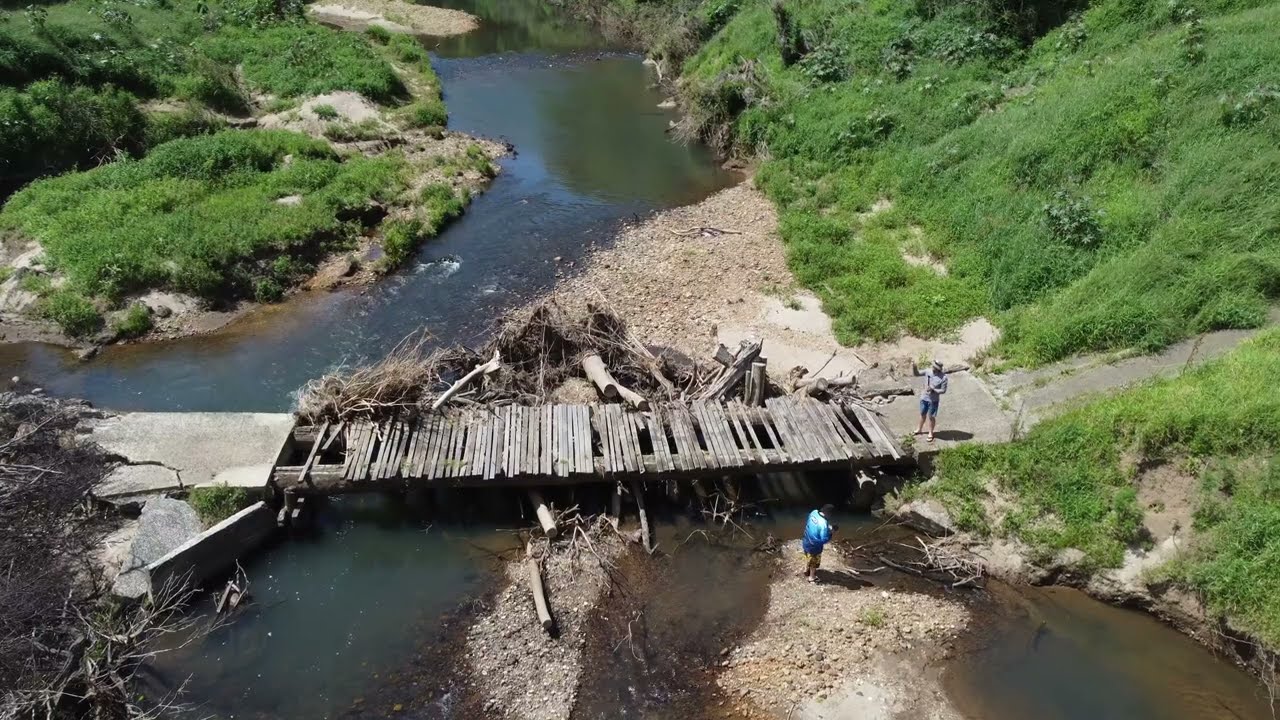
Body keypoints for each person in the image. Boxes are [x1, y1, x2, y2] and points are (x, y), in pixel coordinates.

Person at [801, 504, 837, 583]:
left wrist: (828, 527)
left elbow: (813, 523)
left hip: (806, 540)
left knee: (808, 556)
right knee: (814, 562)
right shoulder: (823, 524)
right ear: (828, 514)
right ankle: (812, 577)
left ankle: (806, 570)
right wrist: (831, 533)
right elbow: (824, 539)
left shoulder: (814, 512)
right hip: (814, 546)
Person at [915, 358, 949, 443]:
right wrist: (914, 368)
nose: (933, 368)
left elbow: (943, 390)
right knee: (922, 413)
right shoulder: (927, 371)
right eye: (933, 366)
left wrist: (934, 389)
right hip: (924, 397)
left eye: (935, 367)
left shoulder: (943, 378)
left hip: (933, 400)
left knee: (931, 416)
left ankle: (930, 432)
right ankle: (919, 429)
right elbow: (917, 374)